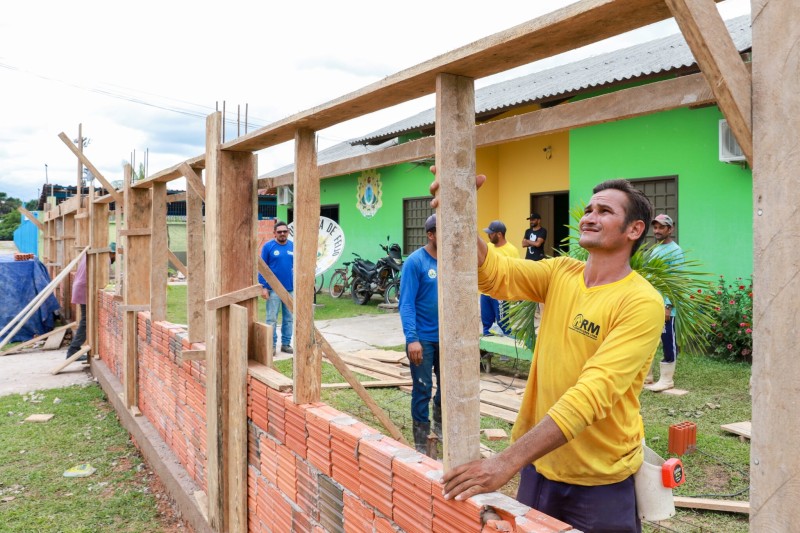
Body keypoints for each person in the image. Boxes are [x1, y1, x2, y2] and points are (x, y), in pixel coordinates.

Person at [437, 177, 664, 533]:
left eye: (604, 211)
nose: (589, 216)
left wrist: (504, 462)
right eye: (589, 209)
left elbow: (592, 394)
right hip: (540, 466)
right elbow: (497, 274)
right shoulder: (562, 273)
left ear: (634, 229)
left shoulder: (640, 301)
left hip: (600, 477)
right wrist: (459, 214)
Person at [399, 213, 441, 455]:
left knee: (447, 389)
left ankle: (441, 430)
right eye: (441, 230)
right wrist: (412, 339)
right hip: (422, 339)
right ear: (430, 234)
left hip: (446, 339)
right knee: (423, 388)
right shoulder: (415, 262)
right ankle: (421, 441)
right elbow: (406, 304)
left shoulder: (450, 260)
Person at [645, 214, 684, 392]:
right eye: (656, 227)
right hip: (652, 303)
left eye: (662, 227)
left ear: (670, 229)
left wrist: (668, 306)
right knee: (649, 340)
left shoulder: (675, 251)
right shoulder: (655, 249)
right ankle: (647, 376)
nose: (657, 231)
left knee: (668, 340)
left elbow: (677, 280)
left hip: (666, 306)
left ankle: (667, 379)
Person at [66, 242, 116, 361]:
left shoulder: (91, 254)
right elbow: (106, 276)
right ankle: (73, 350)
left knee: (86, 320)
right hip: (84, 289)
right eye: (115, 255)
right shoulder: (104, 258)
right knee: (86, 321)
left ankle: (74, 349)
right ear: (112, 253)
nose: (115, 258)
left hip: (81, 287)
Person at [258, 221, 294, 354]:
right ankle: (271, 345)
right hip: (273, 290)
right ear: (274, 233)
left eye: (284, 231)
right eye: (279, 232)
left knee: (289, 318)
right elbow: (262, 268)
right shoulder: (268, 247)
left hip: (289, 289)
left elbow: (296, 267)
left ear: (288, 232)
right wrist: (263, 287)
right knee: (271, 319)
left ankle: (286, 344)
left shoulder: (292, 246)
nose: (282, 234)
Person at [480, 220, 519, 336]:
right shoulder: (488, 247)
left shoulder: (512, 251)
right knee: (487, 326)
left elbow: (516, 272)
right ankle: (488, 352)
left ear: (499, 234)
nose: (488, 236)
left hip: (500, 293)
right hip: (485, 292)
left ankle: (506, 351)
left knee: (504, 324)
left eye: (491, 233)